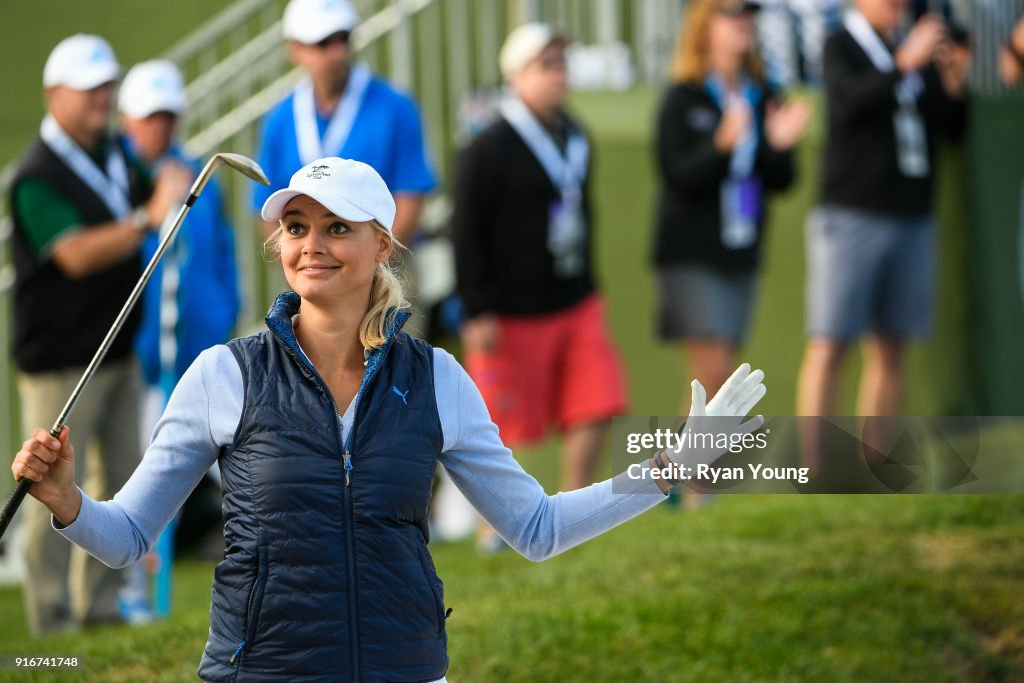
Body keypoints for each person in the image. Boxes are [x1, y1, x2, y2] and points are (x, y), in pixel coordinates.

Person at [12, 156, 767, 681]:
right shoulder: (224, 374)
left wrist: (669, 470)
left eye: (339, 228)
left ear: (381, 242)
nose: (314, 245)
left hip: (406, 668)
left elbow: (535, 528)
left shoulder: (436, 377)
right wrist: (69, 502)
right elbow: (125, 539)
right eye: (298, 227)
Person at [8, 34, 191, 634]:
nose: (101, 99)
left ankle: (104, 607)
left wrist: (164, 189)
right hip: (59, 361)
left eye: (107, 87)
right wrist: (147, 216)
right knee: (51, 489)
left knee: (121, 480)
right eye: (88, 89)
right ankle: (52, 625)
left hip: (116, 352)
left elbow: (152, 186)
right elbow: (76, 255)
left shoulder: (116, 149)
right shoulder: (36, 174)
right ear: (54, 95)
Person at [452, 23, 628, 515]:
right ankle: (499, 526)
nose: (558, 75)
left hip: (575, 297)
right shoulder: (486, 147)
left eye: (561, 63)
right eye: (546, 65)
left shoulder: (576, 135)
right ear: (517, 75)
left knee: (598, 397)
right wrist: (478, 308)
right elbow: (466, 231)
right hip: (509, 309)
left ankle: (573, 508)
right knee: (502, 427)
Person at [796, 0, 969, 425]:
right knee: (830, 344)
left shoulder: (915, 50)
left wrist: (952, 79)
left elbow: (952, 129)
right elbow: (851, 102)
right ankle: (816, 472)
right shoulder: (841, 44)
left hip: (911, 215)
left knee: (892, 348)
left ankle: (877, 475)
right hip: (853, 214)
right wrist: (905, 62)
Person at [654, 0, 810, 414]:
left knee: (717, 384)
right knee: (714, 373)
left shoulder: (764, 94)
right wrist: (719, 146)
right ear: (706, 26)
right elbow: (677, 174)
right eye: (731, 15)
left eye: (748, 17)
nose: (744, 24)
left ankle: (681, 474)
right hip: (691, 254)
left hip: (741, 250)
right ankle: (692, 477)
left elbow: (783, 179)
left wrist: (777, 146)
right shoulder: (684, 97)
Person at [251, 0, 435, 246]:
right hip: (314, 269)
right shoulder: (279, 119)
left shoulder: (396, 108)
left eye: (344, 38)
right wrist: (303, 264)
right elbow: (266, 206)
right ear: (295, 49)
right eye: (323, 43)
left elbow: (410, 196)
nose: (338, 52)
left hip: (387, 268)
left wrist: (374, 263)